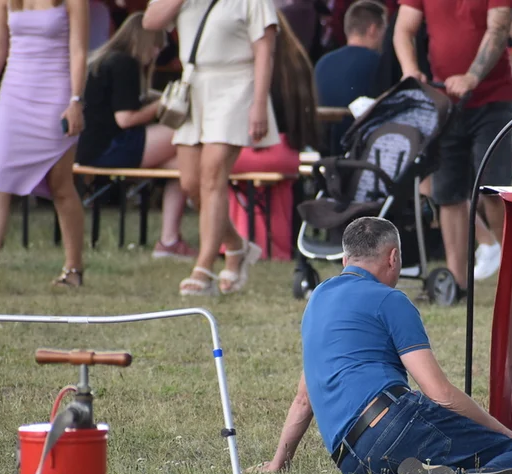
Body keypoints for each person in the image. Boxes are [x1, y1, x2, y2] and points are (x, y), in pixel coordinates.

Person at [259, 217, 512, 474]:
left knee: (445, 450)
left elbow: (303, 398)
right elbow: (440, 393)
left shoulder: (318, 298)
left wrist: (279, 463)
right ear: (393, 257)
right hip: (391, 425)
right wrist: (505, 433)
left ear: (346, 260)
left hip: (351, 461)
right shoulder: (390, 299)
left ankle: (447, 473)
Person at [143, 0, 279, 296]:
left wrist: (258, 104)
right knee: (191, 183)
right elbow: (150, 21)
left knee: (212, 177)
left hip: (236, 85)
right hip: (195, 85)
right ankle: (236, 245)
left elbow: (264, 51)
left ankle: (203, 266)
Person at [0, 0, 89, 286]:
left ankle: (73, 268)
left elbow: (79, 50)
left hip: (56, 90)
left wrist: (75, 100)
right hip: (14, 91)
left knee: (60, 184)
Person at [393, 0, 512, 298]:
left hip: (491, 100)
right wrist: (410, 69)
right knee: (448, 192)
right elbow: (403, 29)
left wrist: (472, 76)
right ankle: (456, 284)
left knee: (493, 191)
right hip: (444, 99)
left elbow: (498, 30)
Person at [77, 12, 195, 259]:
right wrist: (164, 102)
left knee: (186, 166)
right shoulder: (124, 64)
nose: (155, 55)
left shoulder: (105, 61)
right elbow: (126, 118)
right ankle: (172, 239)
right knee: (187, 135)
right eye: (155, 47)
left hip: (91, 149)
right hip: (110, 148)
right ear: (144, 41)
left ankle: (169, 241)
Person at [227, 9, 318, 261]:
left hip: (259, 150)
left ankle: (237, 241)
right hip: (290, 152)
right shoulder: (297, 61)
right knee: (277, 194)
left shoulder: (255, 67)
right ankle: (276, 248)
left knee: (214, 166)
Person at [314, 0, 386, 156]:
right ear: (373, 30)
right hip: (360, 152)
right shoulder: (379, 63)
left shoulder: (322, 63)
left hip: (323, 151)